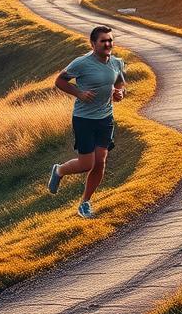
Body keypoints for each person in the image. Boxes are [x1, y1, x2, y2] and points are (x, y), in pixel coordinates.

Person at [47, 25, 126, 218]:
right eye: (103, 41)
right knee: (86, 164)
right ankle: (59, 170)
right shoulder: (81, 63)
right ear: (93, 44)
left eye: (110, 40)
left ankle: (85, 203)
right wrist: (80, 93)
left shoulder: (116, 63)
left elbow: (120, 82)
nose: (107, 43)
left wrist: (120, 93)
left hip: (105, 119)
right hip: (84, 119)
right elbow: (60, 81)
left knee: (100, 162)